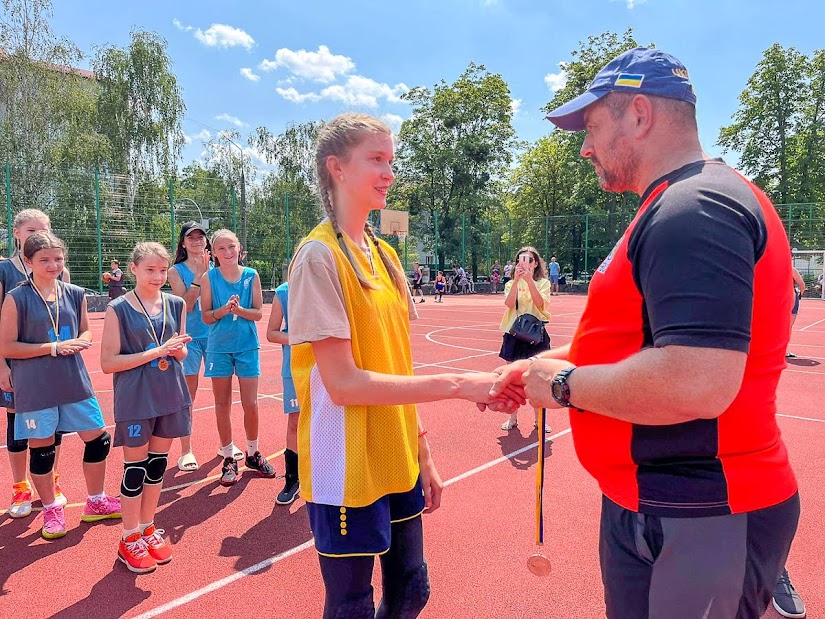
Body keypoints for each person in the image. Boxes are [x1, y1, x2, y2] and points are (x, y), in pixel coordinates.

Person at [487, 48, 800, 618]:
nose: (584, 146)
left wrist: (562, 386)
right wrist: (536, 366)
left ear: (638, 114)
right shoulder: (680, 202)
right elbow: (632, 341)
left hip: (700, 512)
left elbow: (697, 382)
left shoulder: (694, 208)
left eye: (592, 125)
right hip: (667, 508)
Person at [288, 113, 521, 618]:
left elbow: (397, 359)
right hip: (345, 463)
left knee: (412, 590)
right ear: (337, 168)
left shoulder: (386, 253)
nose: (389, 172)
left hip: (398, 454)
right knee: (352, 604)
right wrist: (462, 384)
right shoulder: (317, 257)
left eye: (390, 160)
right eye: (375, 159)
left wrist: (424, 451)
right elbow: (344, 384)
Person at [0, 231, 120, 539]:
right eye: (44, 260)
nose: (53, 265)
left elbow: (86, 331)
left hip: (73, 380)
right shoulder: (16, 298)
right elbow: (8, 347)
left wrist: (81, 341)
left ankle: (95, 501)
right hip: (35, 385)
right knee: (42, 450)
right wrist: (51, 348)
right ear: (28, 261)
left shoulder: (75, 293)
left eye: (58, 259)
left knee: (99, 439)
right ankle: (52, 509)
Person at [101, 242, 192, 573]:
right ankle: (128, 537)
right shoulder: (118, 309)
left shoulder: (176, 303)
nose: (157, 276)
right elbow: (109, 363)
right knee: (135, 469)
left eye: (163, 270)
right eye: (150, 269)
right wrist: (157, 352)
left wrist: (178, 350)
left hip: (170, 394)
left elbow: (179, 351)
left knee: (156, 467)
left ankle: (148, 527)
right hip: (136, 398)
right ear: (134, 269)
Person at [1, 209, 71, 519]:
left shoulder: (59, 271)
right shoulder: (4, 271)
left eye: (44, 230)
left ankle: (50, 480)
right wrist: (2, 365)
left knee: (53, 423)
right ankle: (20, 486)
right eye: (31, 231)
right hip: (18, 365)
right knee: (18, 425)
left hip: (52, 366)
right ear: (17, 234)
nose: (38, 236)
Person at [201, 229, 276, 486]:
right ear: (213, 253)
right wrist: (223, 310)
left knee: (250, 403)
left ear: (239, 248)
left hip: (246, 346)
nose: (228, 252)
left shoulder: (251, 275)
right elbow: (206, 316)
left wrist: (239, 309)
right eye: (221, 249)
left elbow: (257, 313)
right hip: (219, 348)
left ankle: (253, 452)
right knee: (222, 404)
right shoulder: (208, 278)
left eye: (231, 247)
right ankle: (229, 455)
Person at [167, 221, 223, 471]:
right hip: (189, 337)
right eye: (191, 237)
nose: (197, 241)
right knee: (188, 397)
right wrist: (200, 276)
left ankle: (226, 444)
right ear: (183, 242)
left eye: (201, 237)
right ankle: (186, 451)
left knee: (222, 393)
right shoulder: (175, 271)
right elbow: (185, 305)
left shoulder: (218, 266)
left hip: (215, 336)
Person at [498, 247, 552, 434]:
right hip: (514, 334)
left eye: (530, 260)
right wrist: (517, 281)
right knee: (513, 379)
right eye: (522, 259)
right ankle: (512, 418)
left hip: (536, 335)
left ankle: (540, 420)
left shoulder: (543, 283)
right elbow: (509, 303)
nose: (525, 263)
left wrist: (529, 281)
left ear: (536, 263)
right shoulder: (511, 283)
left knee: (538, 379)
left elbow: (539, 303)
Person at [265, 280, 300, 505]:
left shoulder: (331, 283)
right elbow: (272, 333)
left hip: (329, 366)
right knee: (295, 422)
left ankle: (326, 477)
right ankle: (292, 478)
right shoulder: (284, 292)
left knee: (329, 421)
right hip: (295, 367)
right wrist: (299, 339)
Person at [785, 265, 805, 358]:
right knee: (788, 326)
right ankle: (783, 350)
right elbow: (802, 285)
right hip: (789, 297)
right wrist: (800, 294)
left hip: (775, 298)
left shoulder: (770, 267)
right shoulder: (791, 269)